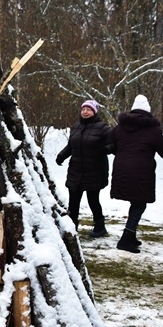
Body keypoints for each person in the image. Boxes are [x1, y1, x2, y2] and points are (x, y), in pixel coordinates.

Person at [108, 94, 163, 253]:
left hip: (121, 170)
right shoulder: (153, 129)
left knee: (136, 202)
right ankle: (126, 239)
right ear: (148, 111)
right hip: (142, 171)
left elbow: (109, 144)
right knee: (140, 203)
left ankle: (131, 234)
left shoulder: (120, 127)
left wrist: (122, 153)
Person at [55, 99, 112, 237]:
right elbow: (71, 146)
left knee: (93, 200)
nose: (85, 112)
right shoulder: (76, 126)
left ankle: (100, 226)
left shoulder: (103, 128)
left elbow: (113, 145)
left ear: (95, 111)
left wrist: (103, 150)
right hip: (76, 170)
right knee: (73, 200)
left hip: (95, 170)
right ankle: (72, 226)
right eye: (83, 109)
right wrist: (61, 156)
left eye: (89, 109)